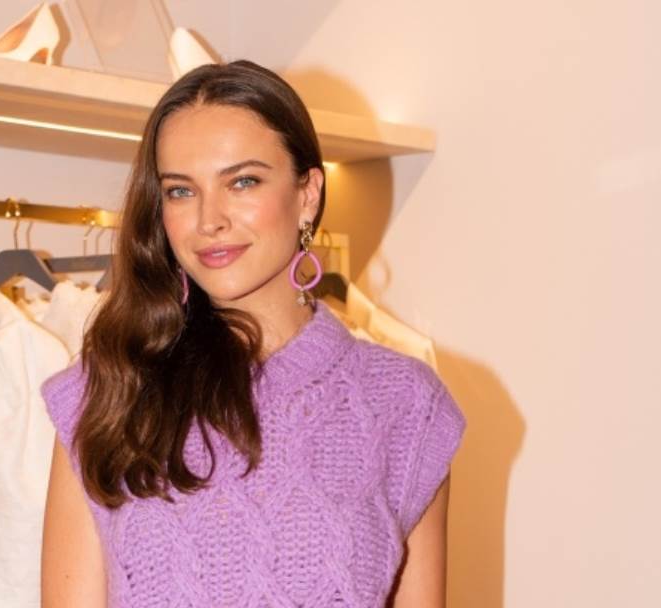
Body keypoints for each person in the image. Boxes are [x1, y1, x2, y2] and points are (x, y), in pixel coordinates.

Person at [39, 59, 466, 607]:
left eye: (242, 182)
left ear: (307, 193)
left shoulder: (405, 404)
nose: (209, 220)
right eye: (180, 191)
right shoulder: (105, 392)